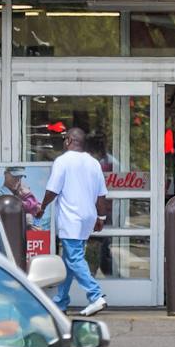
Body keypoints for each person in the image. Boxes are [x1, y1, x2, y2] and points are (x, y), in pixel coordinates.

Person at [38, 127, 109, 316]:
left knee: (75, 257)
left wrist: (42, 207)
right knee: (69, 261)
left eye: (64, 139)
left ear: (69, 140)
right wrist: (101, 217)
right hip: (87, 217)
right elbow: (102, 195)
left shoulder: (62, 161)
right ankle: (60, 302)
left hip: (71, 218)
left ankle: (95, 296)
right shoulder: (94, 163)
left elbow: (52, 190)